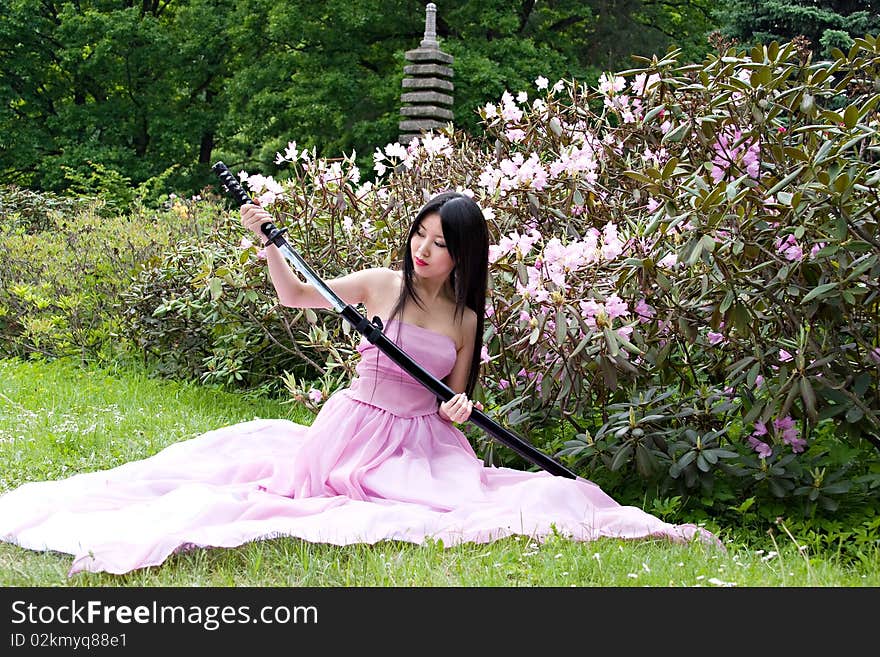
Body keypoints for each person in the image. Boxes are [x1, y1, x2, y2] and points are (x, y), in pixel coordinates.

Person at [0, 192, 719, 576]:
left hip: (421, 443)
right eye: (421, 235)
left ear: (465, 253)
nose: (424, 250)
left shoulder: (467, 318)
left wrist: (463, 408)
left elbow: (456, 405)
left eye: (441, 243)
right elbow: (294, 295)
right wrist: (268, 243)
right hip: (353, 426)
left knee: (466, 504)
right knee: (293, 496)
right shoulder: (380, 284)